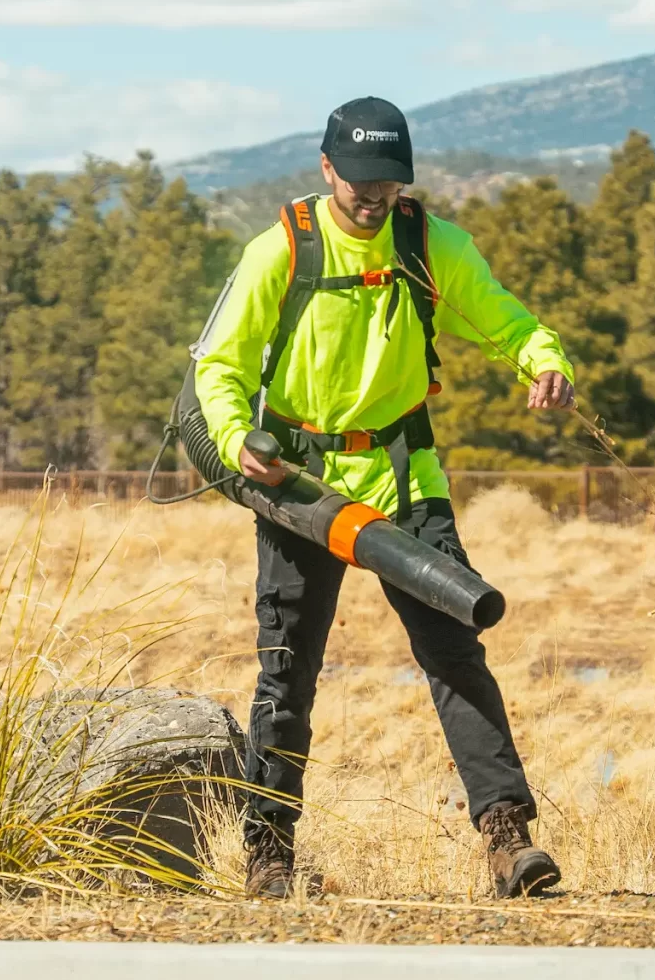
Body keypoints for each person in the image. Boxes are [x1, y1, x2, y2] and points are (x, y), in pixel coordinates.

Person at [192, 96, 576, 899]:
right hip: (299, 484)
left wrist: (544, 360)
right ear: (326, 167)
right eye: (359, 183)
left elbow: (505, 320)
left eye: (388, 185)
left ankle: (509, 838)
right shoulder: (282, 248)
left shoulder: (430, 244)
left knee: (454, 650)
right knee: (287, 670)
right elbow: (219, 366)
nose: (372, 199)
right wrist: (236, 441)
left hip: (404, 477)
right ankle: (269, 855)